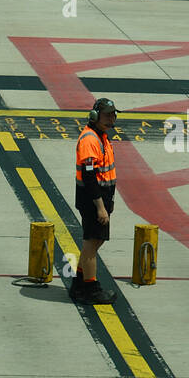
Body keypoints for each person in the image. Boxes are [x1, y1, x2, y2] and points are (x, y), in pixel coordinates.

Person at [71, 98, 118, 305]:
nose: (112, 118)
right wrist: (100, 207)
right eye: (107, 115)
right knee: (91, 243)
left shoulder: (102, 136)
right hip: (93, 199)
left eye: (113, 114)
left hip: (102, 197)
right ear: (95, 116)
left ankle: (78, 285)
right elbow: (90, 178)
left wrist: (109, 202)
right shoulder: (90, 139)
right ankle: (91, 289)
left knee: (96, 241)